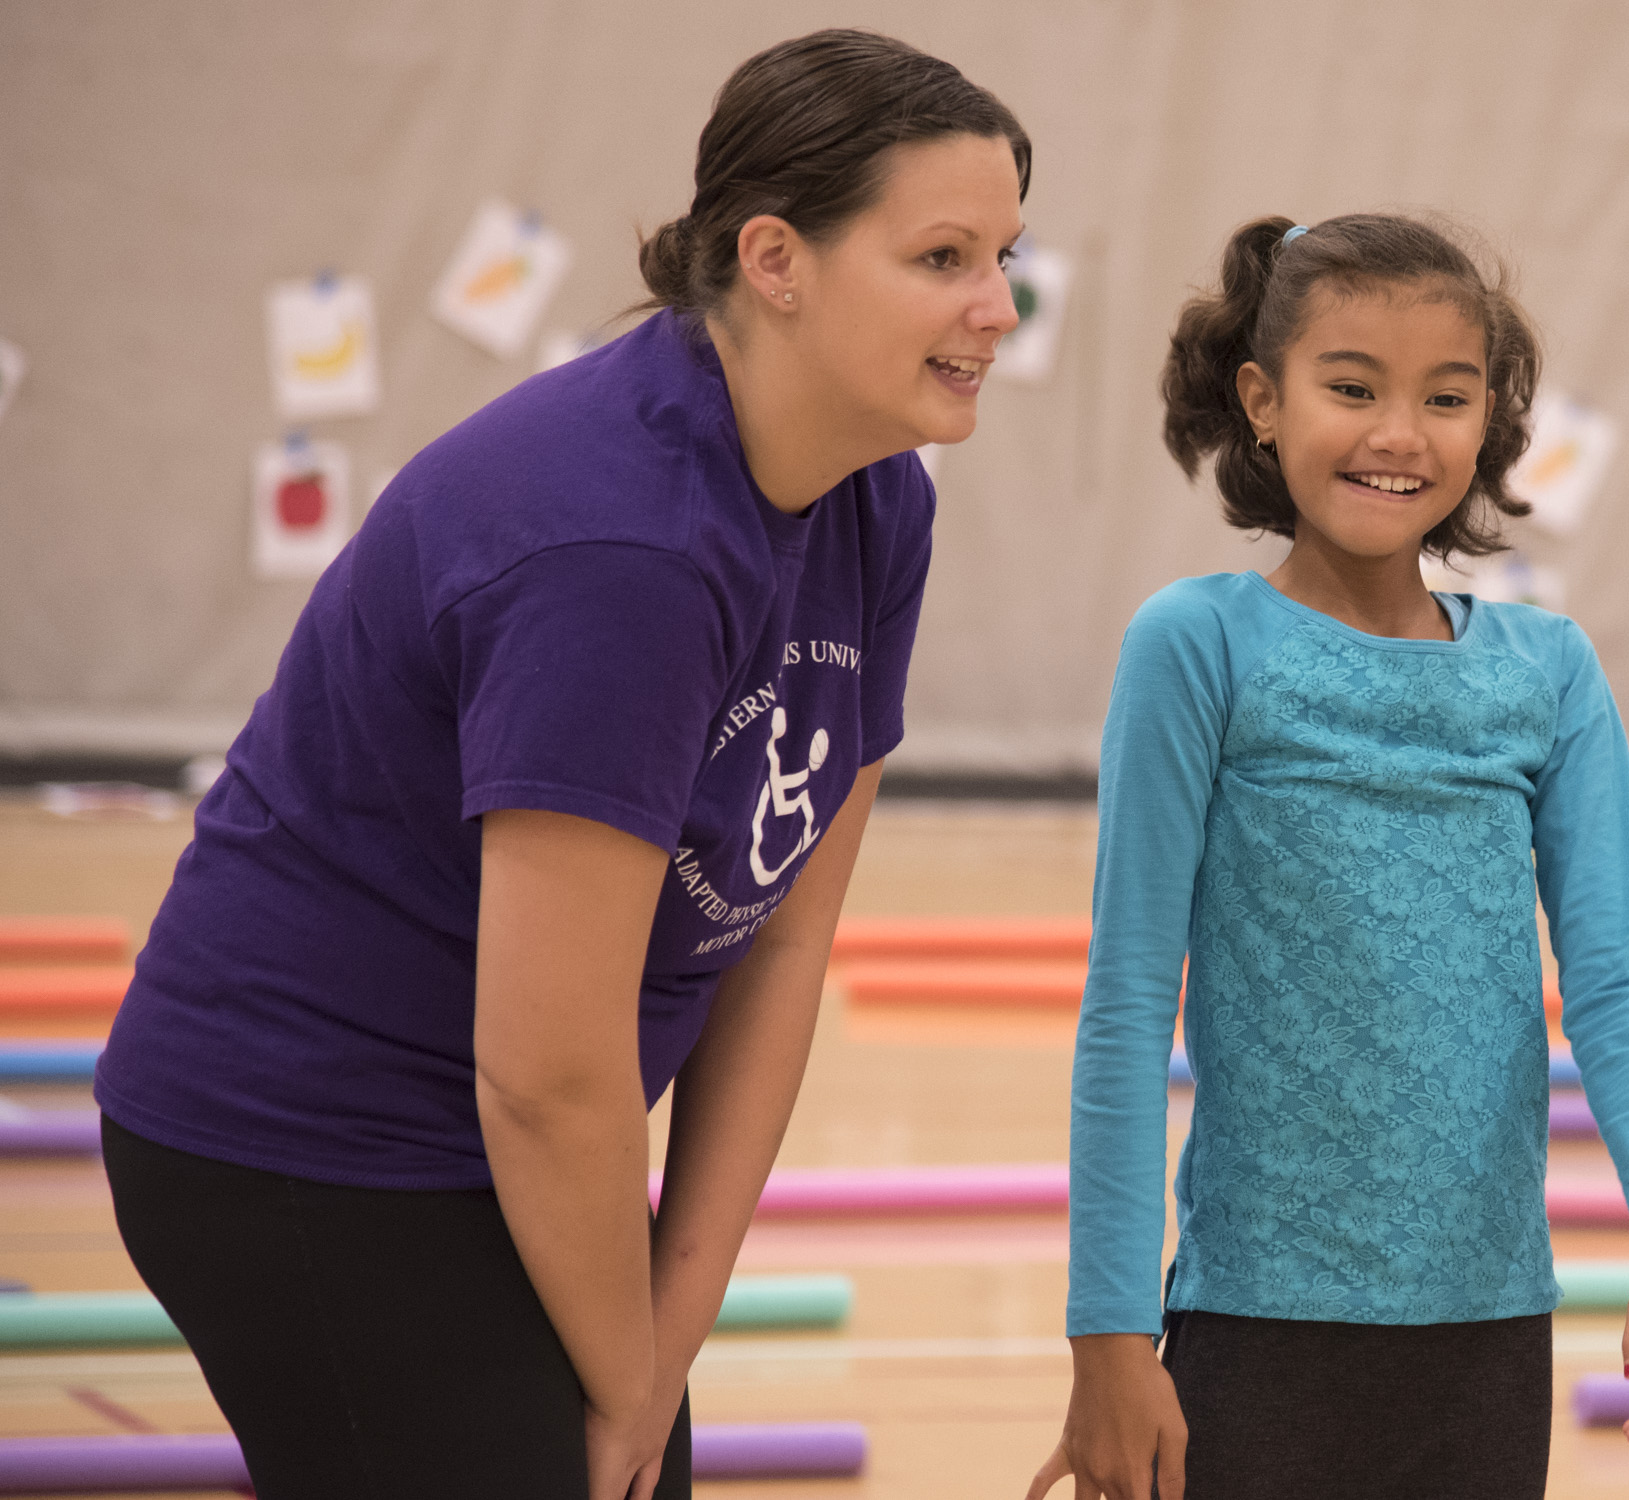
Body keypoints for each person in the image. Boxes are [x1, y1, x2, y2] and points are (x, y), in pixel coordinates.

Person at [93, 30, 1026, 1500]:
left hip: (509, 1141)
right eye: (945, 258)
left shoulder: (878, 500)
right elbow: (545, 1077)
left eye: (1005, 256)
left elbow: (780, 944)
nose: (999, 307)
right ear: (774, 259)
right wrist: (625, 1380)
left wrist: (662, 1347)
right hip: (311, 1147)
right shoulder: (621, 549)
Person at [1028, 215, 1629, 1500]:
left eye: (1445, 398)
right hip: (1256, 1328)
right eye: (1352, 388)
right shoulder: (1197, 645)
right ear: (1264, 401)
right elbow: (1127, 1003)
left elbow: (1622, 978)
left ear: (1490, 419)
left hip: (1488, 1334)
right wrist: (1108, 1334)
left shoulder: (1548, 672)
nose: (1400, 434)